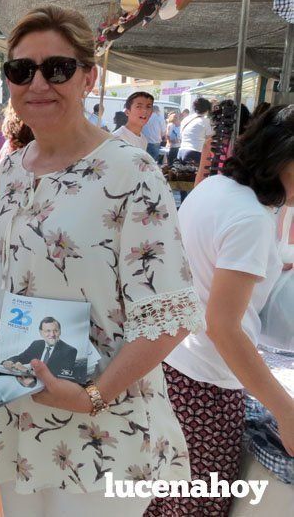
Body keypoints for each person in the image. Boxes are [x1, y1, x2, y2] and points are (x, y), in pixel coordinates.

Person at [0, 5, 200, 515]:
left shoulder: (131, 173)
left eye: (57, 68)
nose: (38, 83)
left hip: (105, 425)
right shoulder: (11, 168)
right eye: (21, 70)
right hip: (19, 413)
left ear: (88, 76)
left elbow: (169, 315)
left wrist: (94, 396)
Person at [151, 105, 294, 516]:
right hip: (206, 385)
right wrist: (284, 410)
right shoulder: (250, 217)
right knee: (197, 505)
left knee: (162, 499)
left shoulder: (216, 189)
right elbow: (224, 328)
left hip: (174, 366)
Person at [0, 318, 77, 379]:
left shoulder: (70, 351)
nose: (52, 334)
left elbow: (61, 375)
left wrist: (27, 371)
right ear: (41, 333)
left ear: (60, 332)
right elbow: (21, 357)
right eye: (48, 331)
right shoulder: (37, 344)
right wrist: (8, 362)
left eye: (55, 331)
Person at [178, 97, 212, 165]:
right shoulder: (206, 121)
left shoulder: (186, 119)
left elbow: (181, 136)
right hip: (195, 153)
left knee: (181, 175)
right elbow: (209, 138)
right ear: (207, 109)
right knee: (193, 175)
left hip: (181, 151)